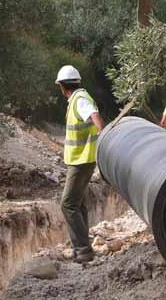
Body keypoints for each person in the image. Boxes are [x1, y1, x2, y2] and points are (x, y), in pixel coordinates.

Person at [55, 65, 105, 263]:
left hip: (81, 161)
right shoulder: (78, 98)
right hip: (82, 159)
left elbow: (94, 116)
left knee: (67, 204)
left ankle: (83, 249)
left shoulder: (80, 99)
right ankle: (83, 247)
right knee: (78, 203)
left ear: (62, 86)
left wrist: (104, 134)